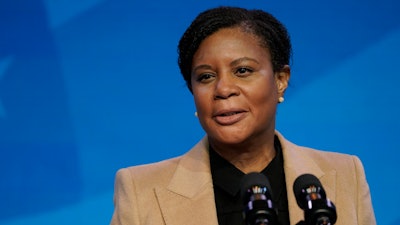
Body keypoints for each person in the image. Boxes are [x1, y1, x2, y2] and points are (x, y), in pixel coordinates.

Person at [110, 6, 376, 225]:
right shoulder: (140, 189)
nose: (223, 89)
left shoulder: (345, 175)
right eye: (206, 77)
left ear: (281, 80)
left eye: (243, 71)